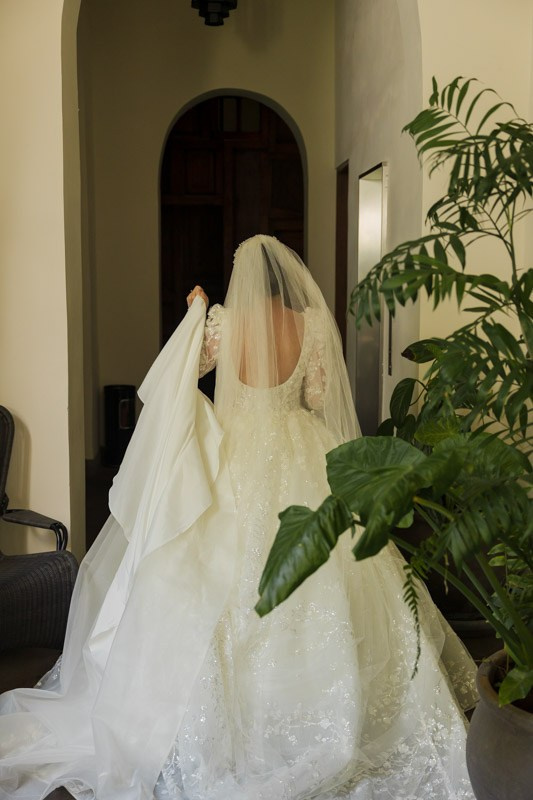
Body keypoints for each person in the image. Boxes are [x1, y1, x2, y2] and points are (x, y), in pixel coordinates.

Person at [0, 235, 477, 800]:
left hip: (232, 452)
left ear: (242, 278)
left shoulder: (223, 323)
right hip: (304, 450)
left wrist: (195, 316)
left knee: (215, 575)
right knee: (334, 569)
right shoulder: (312, 325)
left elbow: (182, 377)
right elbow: (319, 397)